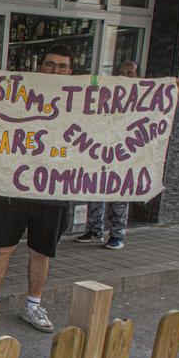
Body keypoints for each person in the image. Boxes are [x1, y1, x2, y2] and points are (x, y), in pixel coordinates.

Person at [0, 46, 78, 333]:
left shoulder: (79, 103)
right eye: (49, 64)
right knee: (2, 248)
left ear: (70, 71)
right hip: (10, 188)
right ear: (39, 66)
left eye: (61, 66)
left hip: (51, 191)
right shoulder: (19, 96)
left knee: (41, 252)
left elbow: (115, 120)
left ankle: (33, 304)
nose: (54, 70)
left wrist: (166, 100)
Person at [76, 60, 138, 250]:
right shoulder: (107, 94)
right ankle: (95, 229)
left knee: (118, 194)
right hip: (101, 150)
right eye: (122, 72)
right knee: (95, 191)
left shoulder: (142, 97)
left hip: (124, 153)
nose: (125, 76)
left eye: (130, 73)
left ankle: (117, 234)